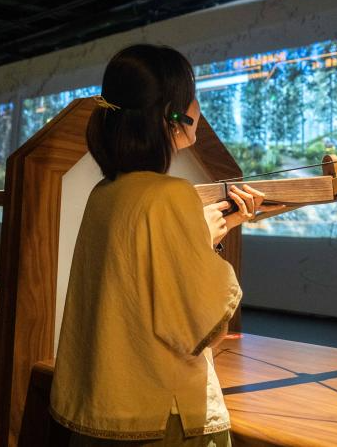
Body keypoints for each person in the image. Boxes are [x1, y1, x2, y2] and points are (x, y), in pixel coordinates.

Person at [51, 45, 264, 446]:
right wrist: (201, 240)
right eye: (191, 95)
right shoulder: (170, 195)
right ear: (174, 114)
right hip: (161, 418)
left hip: (105, 408)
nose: (197, 105)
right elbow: (200, 328)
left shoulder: (105, 192)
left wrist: (199, 238)